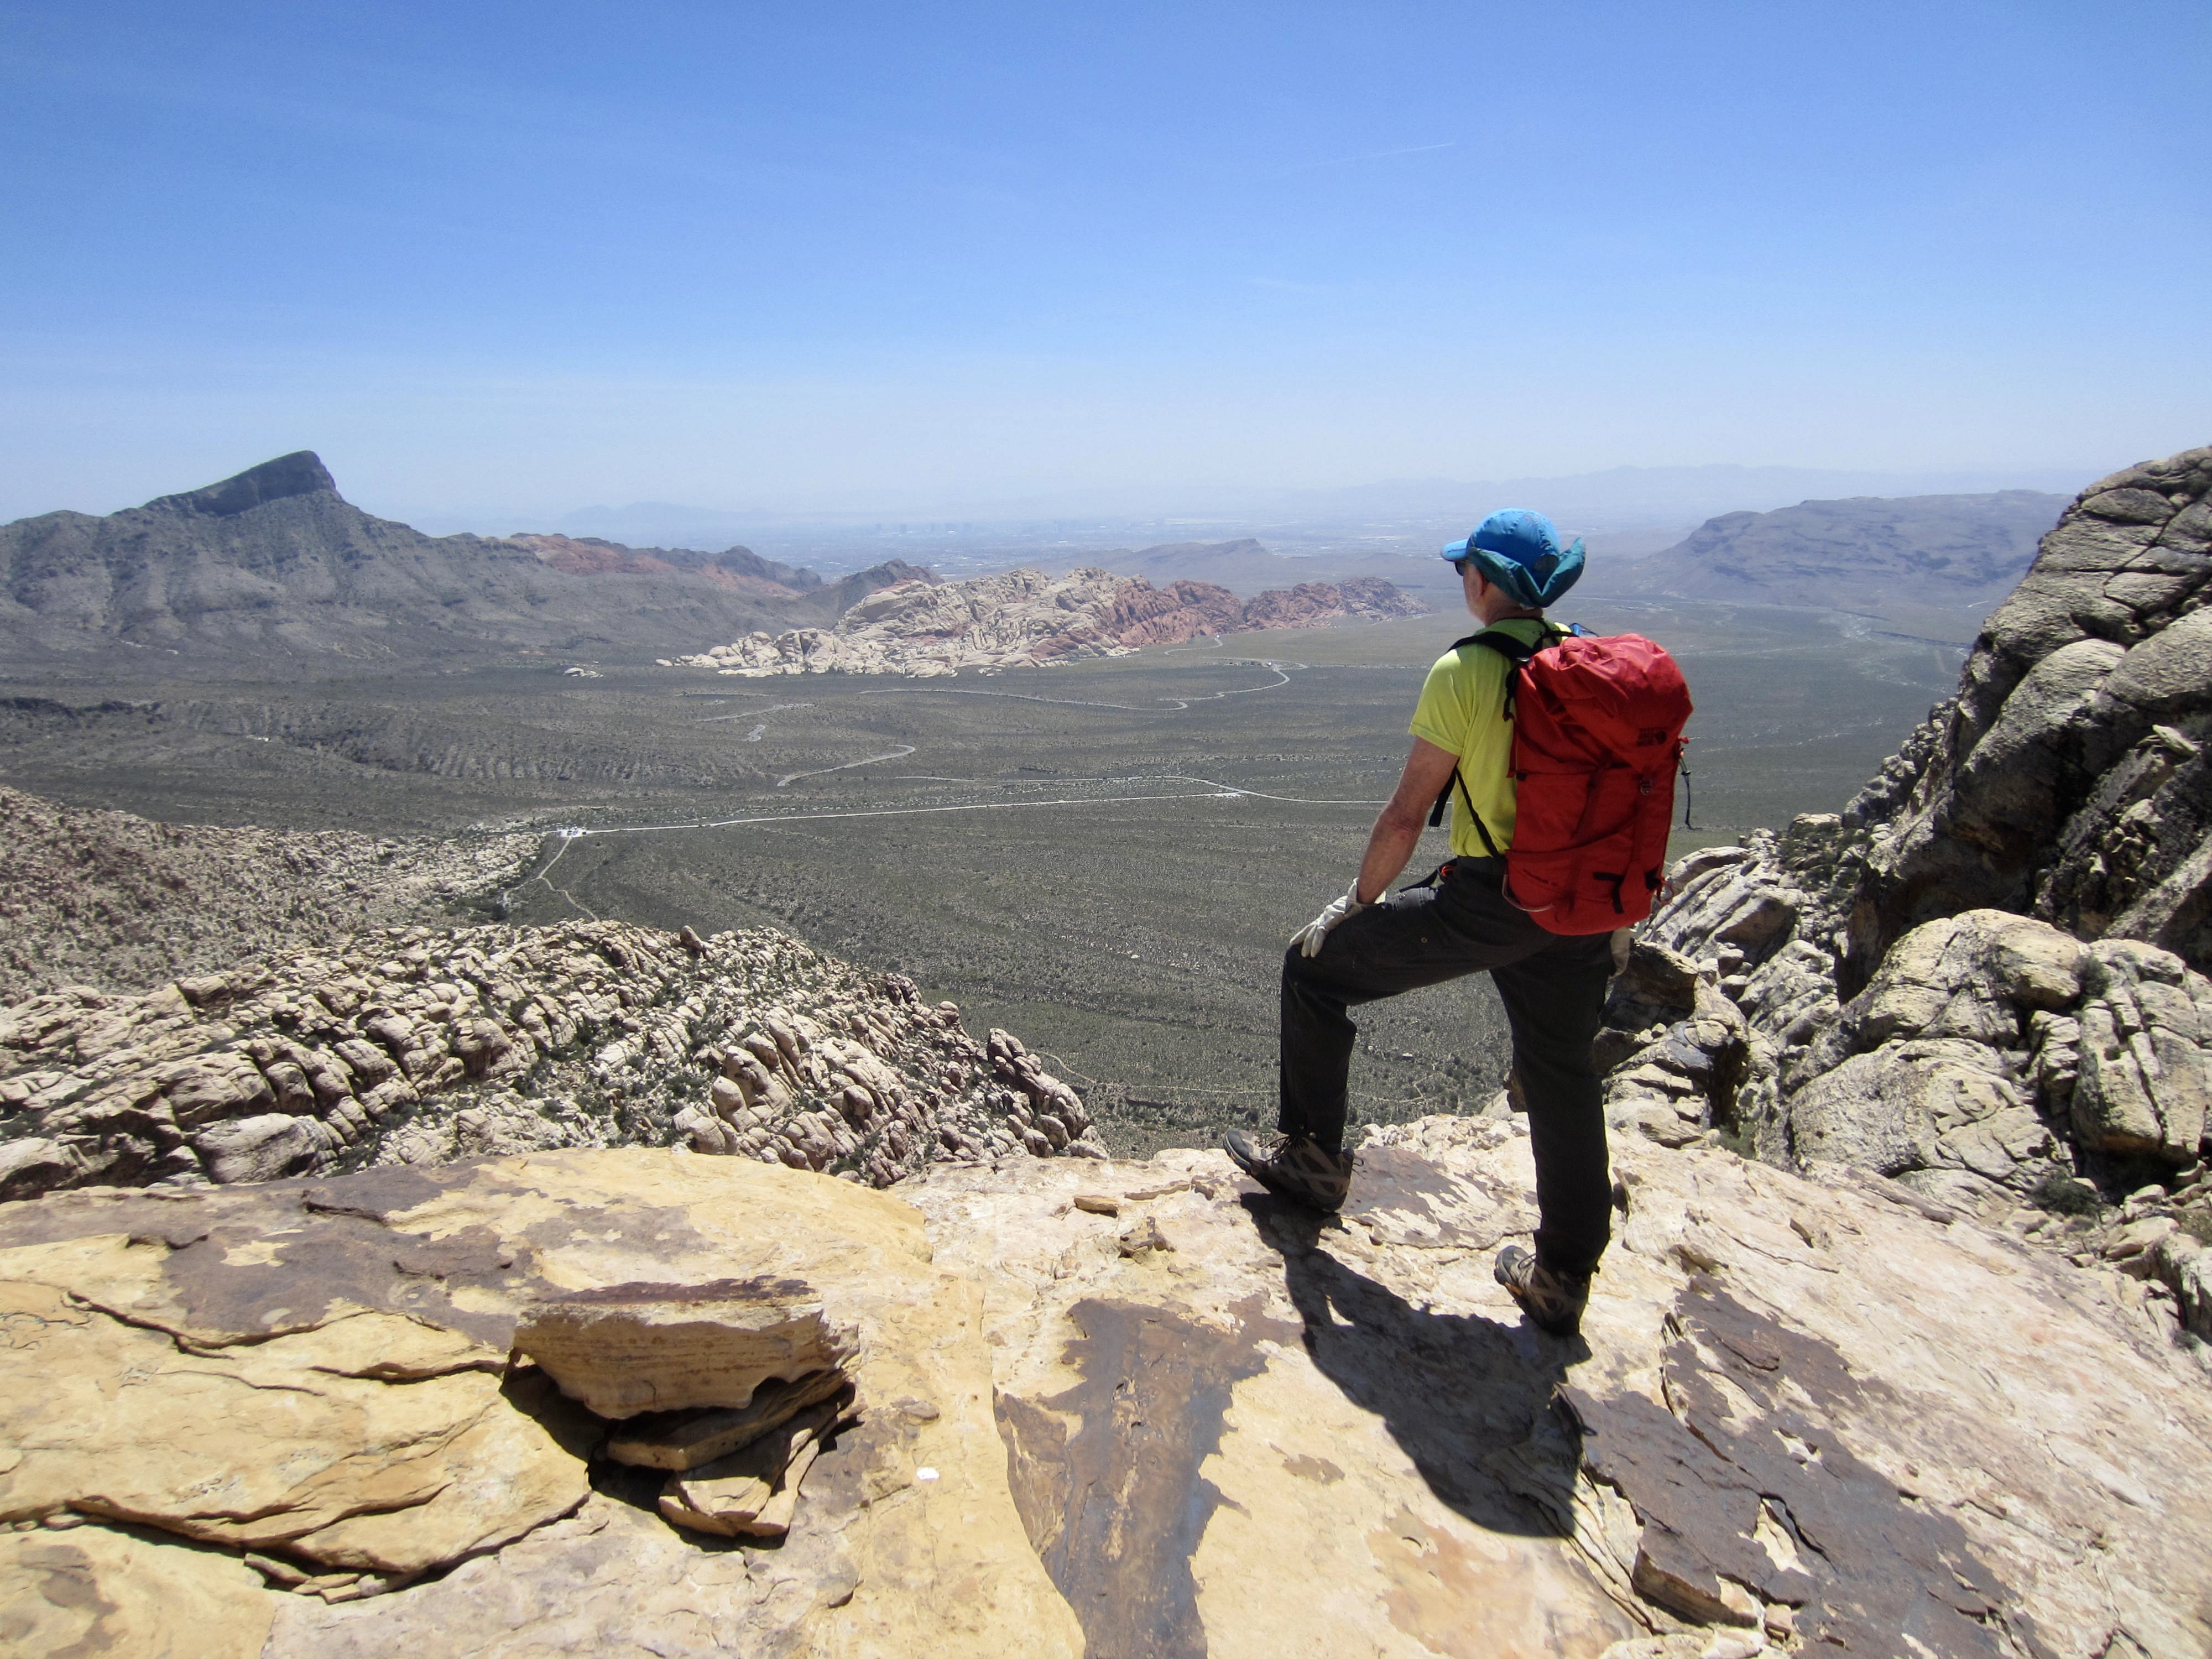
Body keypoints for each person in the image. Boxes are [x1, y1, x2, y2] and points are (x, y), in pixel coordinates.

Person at [1224, 508, 1615, 1338]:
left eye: (1463, 570)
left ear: (1485, 583)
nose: (1459, 582)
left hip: (1495, 898)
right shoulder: (1586, 655)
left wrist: (1354, 906)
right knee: (1563, 1076)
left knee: (1315, 970)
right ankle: (1562, 1281)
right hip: (1582, 903)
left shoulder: (1465, 670)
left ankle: (1314, 1161)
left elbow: (1406, 817)